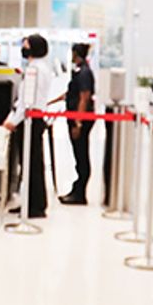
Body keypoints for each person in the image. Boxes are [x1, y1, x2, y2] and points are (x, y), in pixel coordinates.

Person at [4, 33, 60, 219]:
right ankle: (31, 203)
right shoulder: (42, 68)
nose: (24, 47)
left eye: (26, 44)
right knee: (32, 164)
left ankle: (35, 206)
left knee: (31, 165)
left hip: (30, 121)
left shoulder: (34, 70)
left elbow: (27, 101)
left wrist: (13, 120)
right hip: (34, 119)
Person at [59, 42, 96, 205]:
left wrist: (78, 123)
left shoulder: (84, 73)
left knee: (81, 155)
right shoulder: (79, 71)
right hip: (74, 116)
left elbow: (84, 97)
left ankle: (80, 193)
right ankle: (76, 189)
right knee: (78, 154)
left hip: (80, 119)